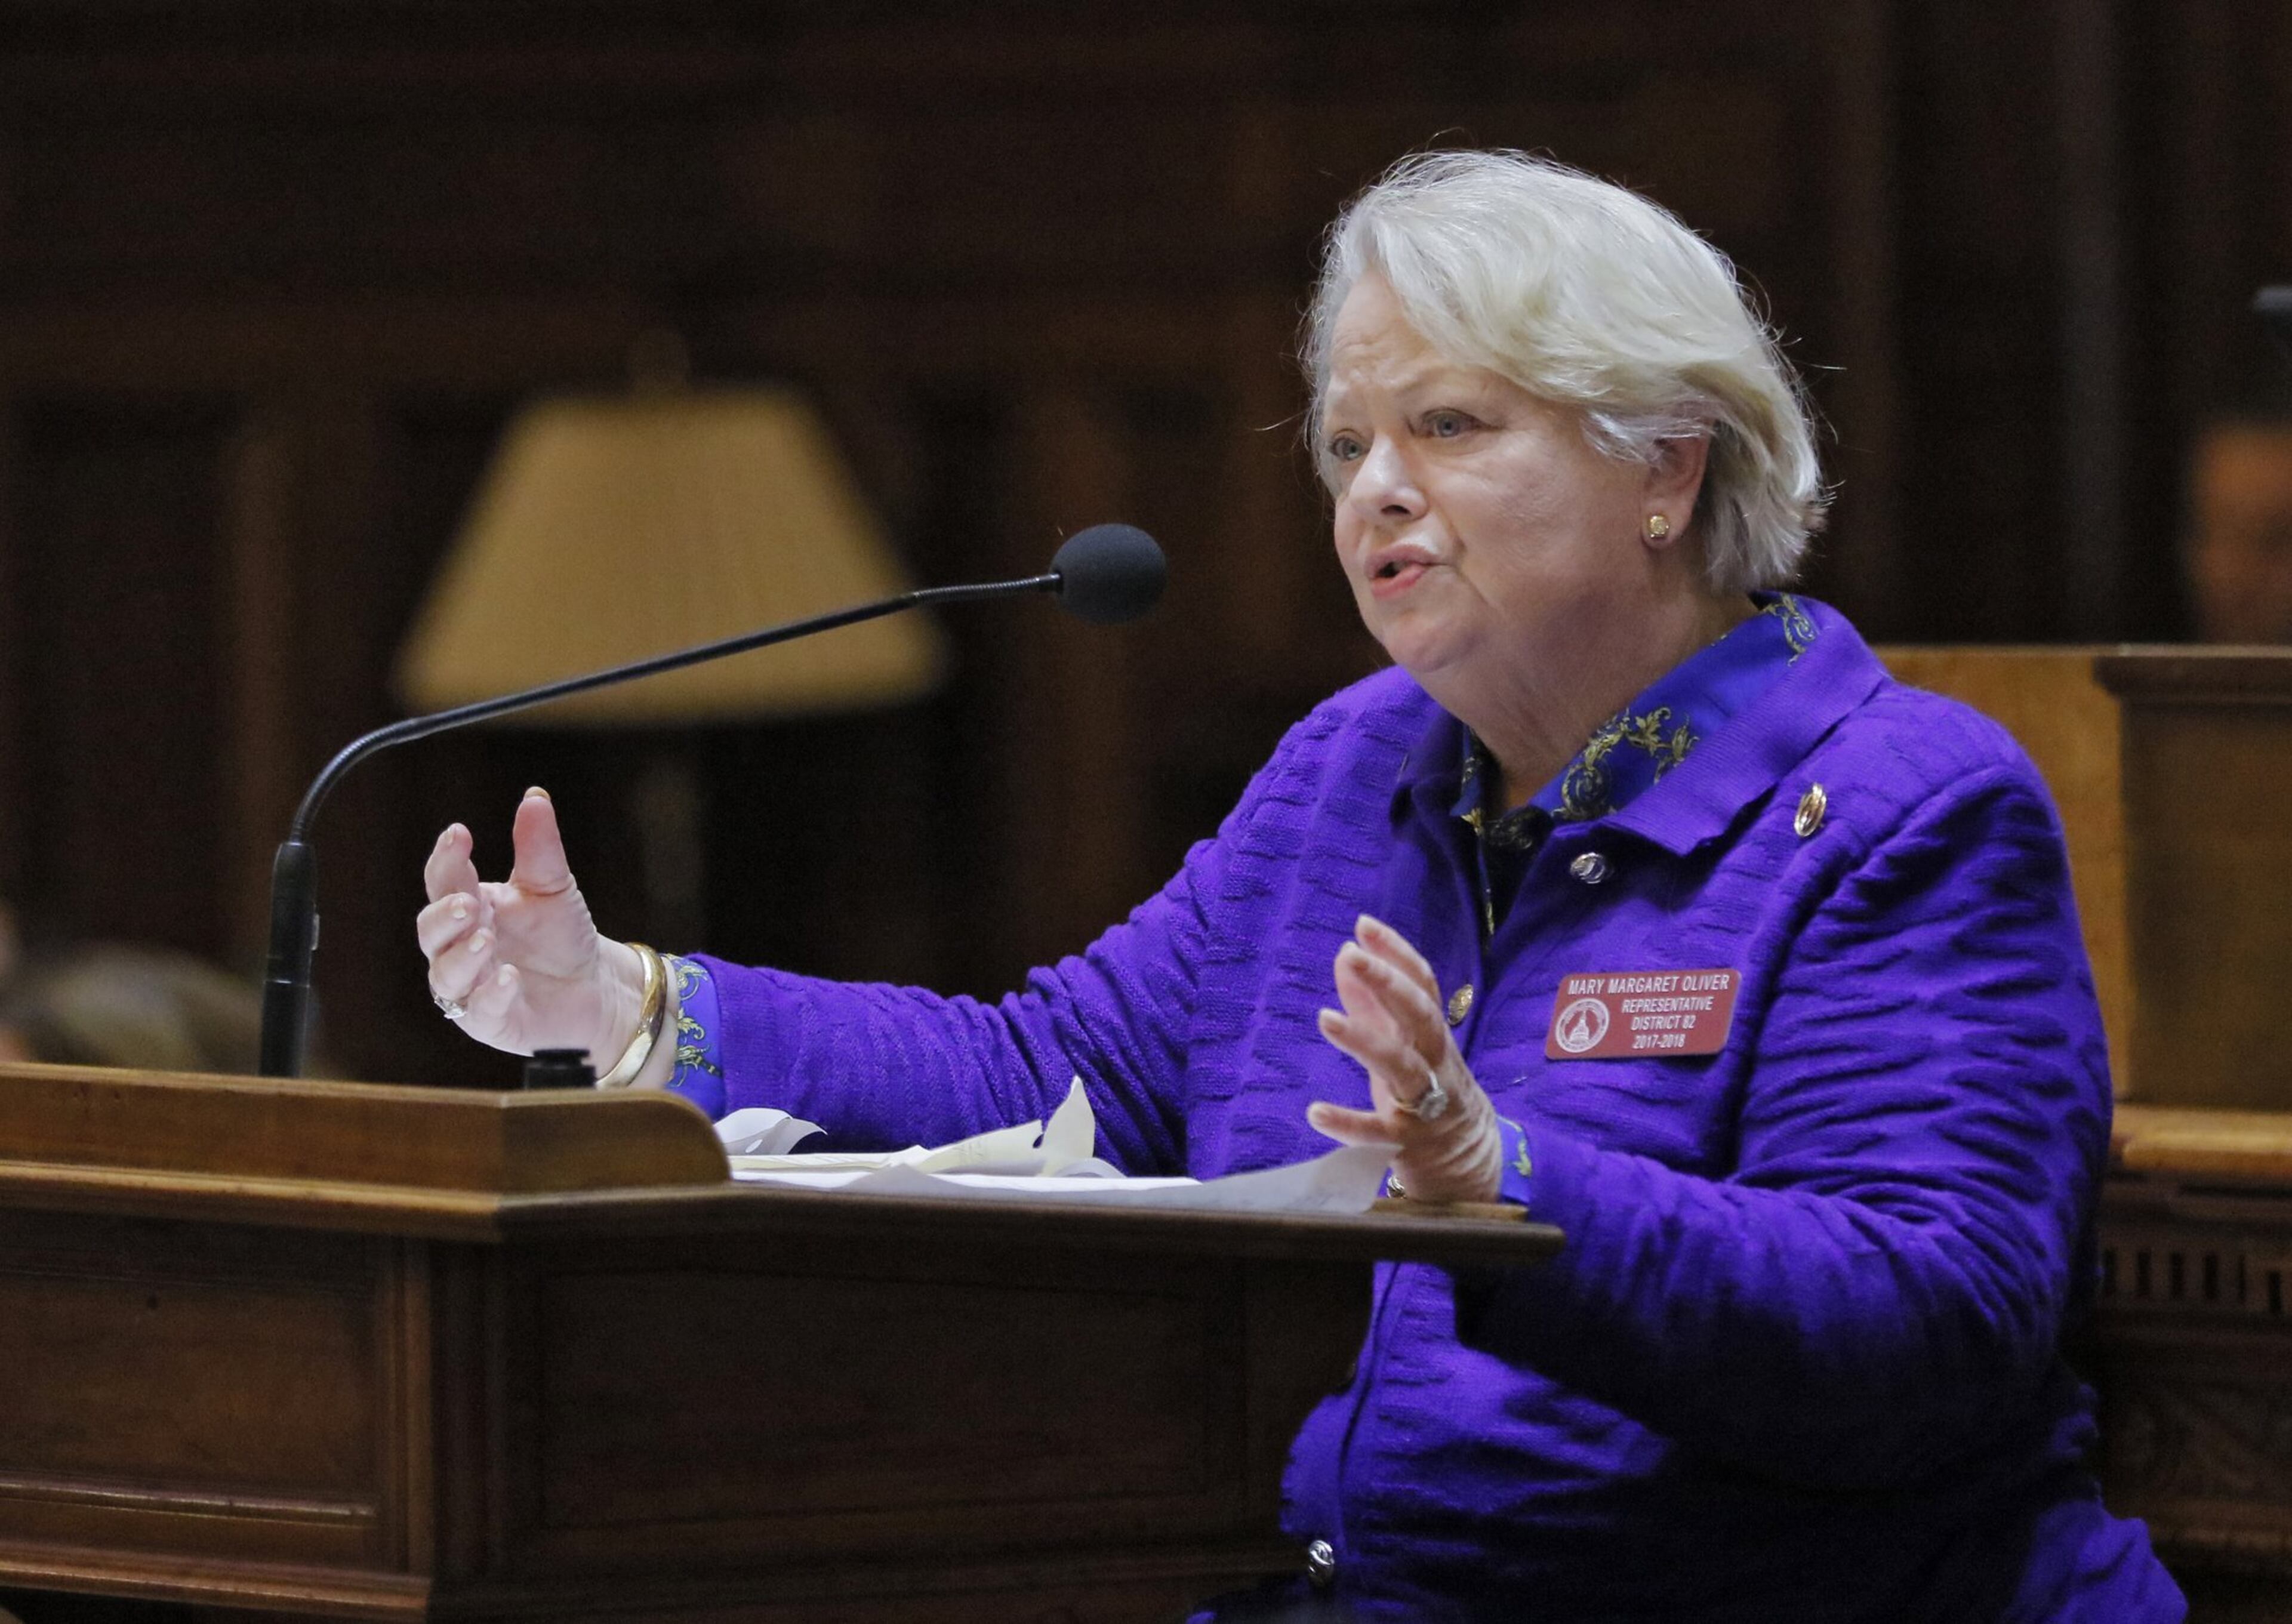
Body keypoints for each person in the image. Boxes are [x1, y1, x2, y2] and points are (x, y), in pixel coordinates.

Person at [415, 152, 2183, 1620]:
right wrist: (631, 1004)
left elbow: (1924, 1323)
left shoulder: (1902, 810)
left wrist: (1505, 1187)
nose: (1376, 495)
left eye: (1452, 424)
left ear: (1668, 467)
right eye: (1349, 445)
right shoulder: (1356, 765)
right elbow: (1046, 1084)